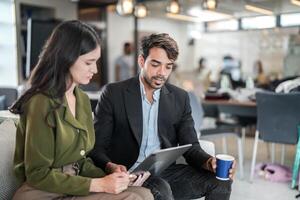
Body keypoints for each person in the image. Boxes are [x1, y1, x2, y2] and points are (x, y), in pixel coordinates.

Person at [9, 20, 153, 200]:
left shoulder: (82, 100)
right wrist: (99, 184)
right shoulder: (40, 102)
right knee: (133, 198)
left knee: (145, 193)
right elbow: (37, 174)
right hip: (42, 192)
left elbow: (79, 161)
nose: (94, 69)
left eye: (96, 62)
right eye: (88, 62)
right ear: (66, 58)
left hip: (73, 184)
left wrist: (109, 174)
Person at [90, 33, 235, 200]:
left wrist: (210, 162)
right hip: (127, 174)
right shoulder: (114, 93)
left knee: (221, 181)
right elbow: (97, 147)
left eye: (168, 66)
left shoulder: (180, 98)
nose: (162, 73)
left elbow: (191, 146)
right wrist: (111, 167)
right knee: (161, 187)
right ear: (141, 61)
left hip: (165, 173)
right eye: (156, 64)